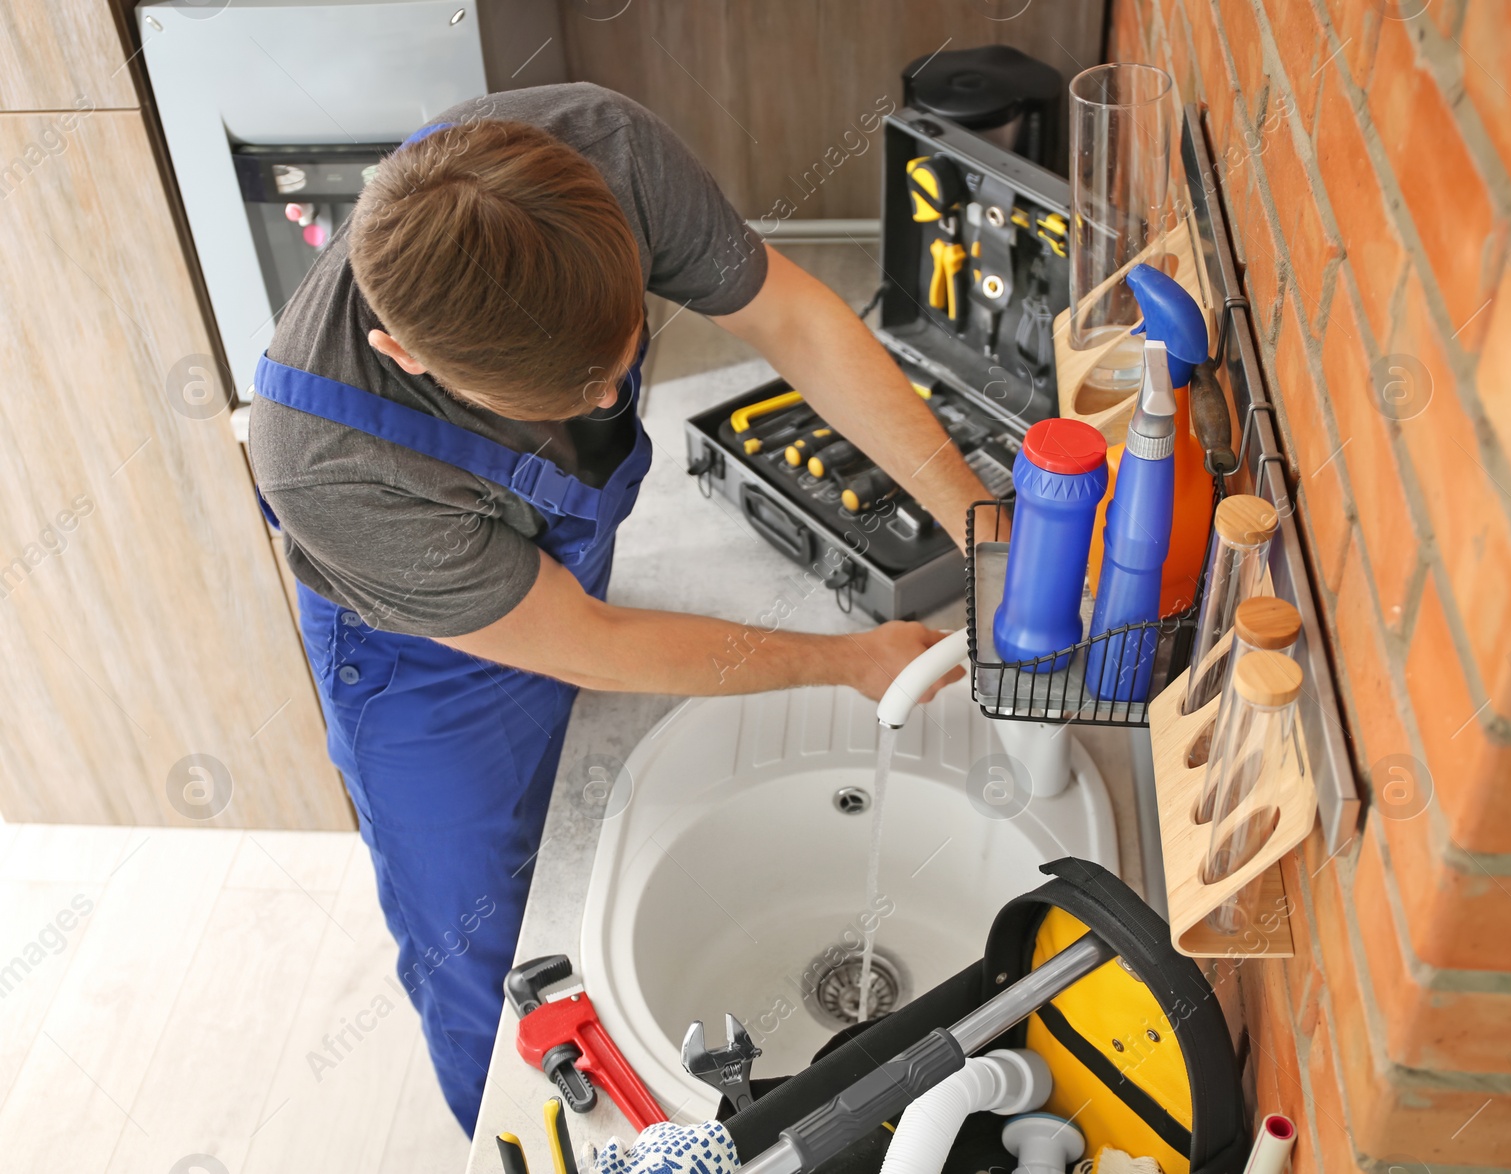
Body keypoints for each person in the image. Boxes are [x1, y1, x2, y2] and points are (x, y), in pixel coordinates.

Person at [249, 83, 990, 1133]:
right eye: (571, 391)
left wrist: (981, 523)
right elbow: (587, 646)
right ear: (410, 359)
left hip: (538, 580)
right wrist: (848, 660)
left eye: (619, 357)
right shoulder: (324, 460)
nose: (611, 401)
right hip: (419, 662)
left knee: (593, 825)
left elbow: (789, 317)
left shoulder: (602, 148)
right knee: (489, 944)